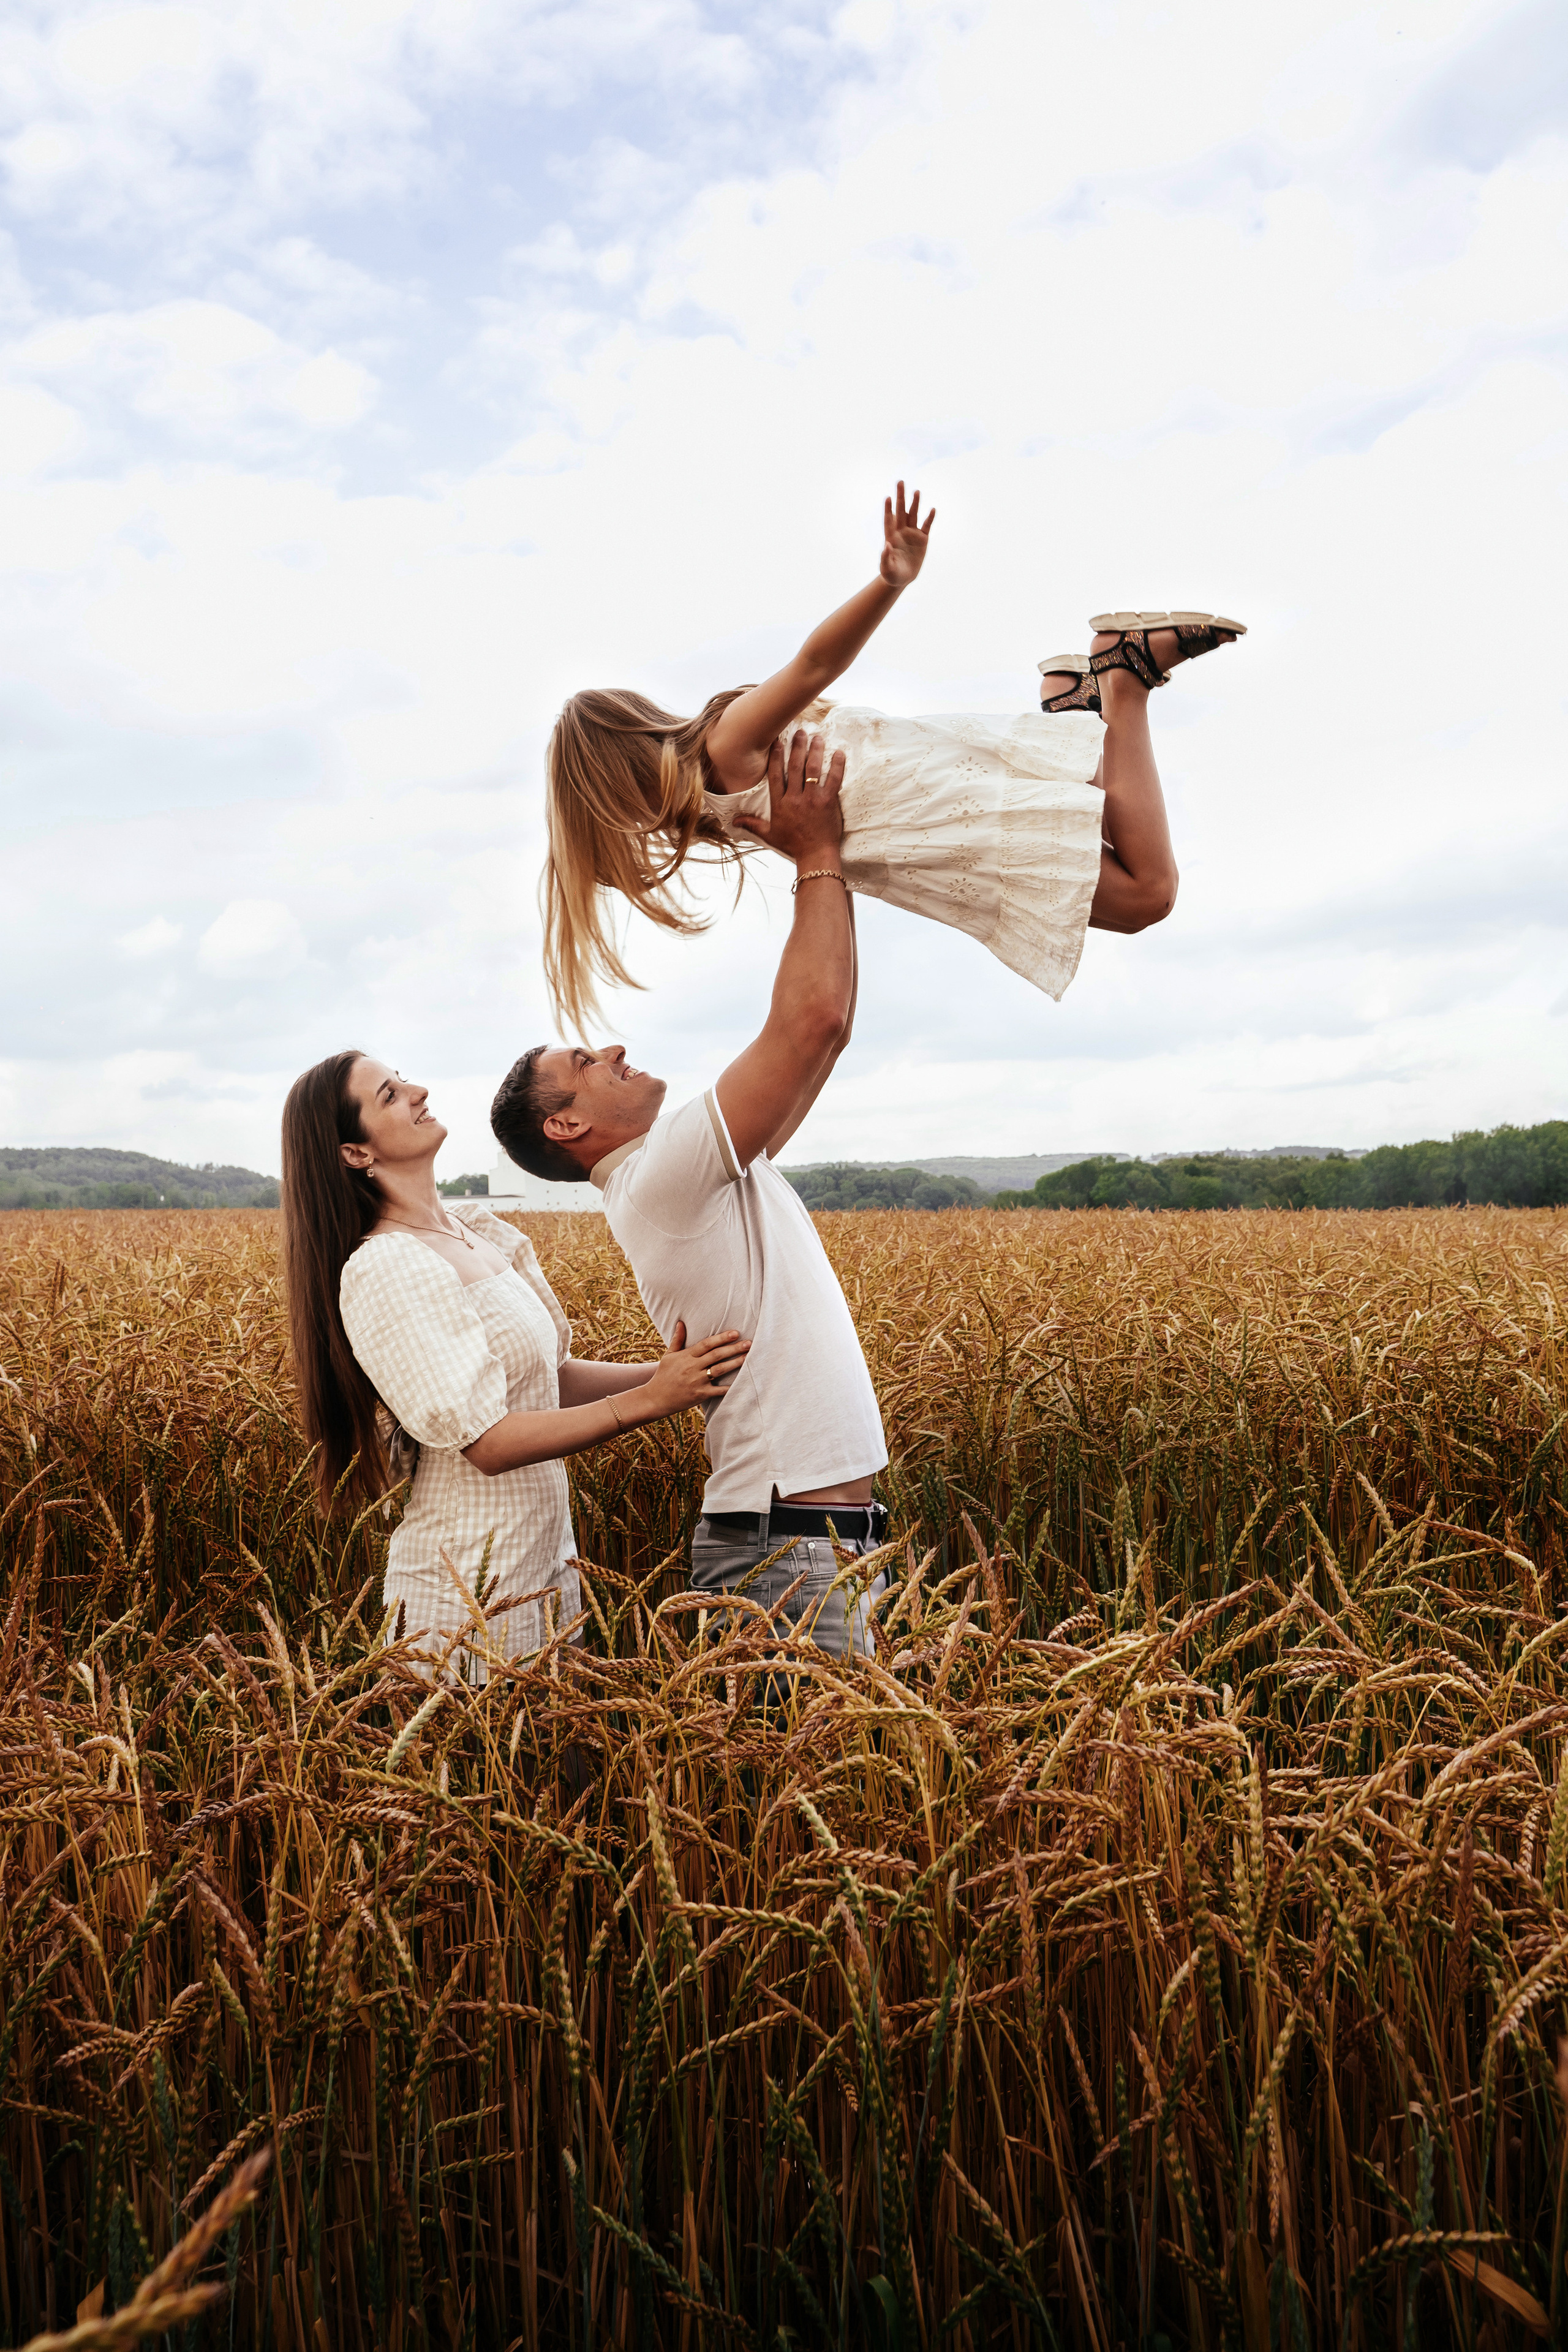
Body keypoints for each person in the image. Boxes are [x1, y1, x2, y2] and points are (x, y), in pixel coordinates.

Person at [540, 480, 1245, 1031]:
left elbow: (813, 665)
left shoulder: (725, 745)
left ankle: (1121, 678)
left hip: (935, 811)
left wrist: (890, 581)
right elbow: (598, 864)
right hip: (927, 825)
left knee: (1146, 894)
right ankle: (1071, 702)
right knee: (1121, 850)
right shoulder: (710, 805)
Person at [493, 726, 894, 1661]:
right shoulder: (663, 1175)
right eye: (587, 1062)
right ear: (565, 1127)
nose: (616, 1049)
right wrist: (818, 855)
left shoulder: (698, 1174)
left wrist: (830, 866)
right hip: (786, 1554)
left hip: (806, 1545)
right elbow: (812, 1020)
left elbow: (824, 1038)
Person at [279, 1049, 748, 1678]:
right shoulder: (386, 1265)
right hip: (463, 1602)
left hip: (544, 1576)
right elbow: (488, 1440)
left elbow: (549, 1380)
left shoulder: (476, 1231)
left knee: (551, 1771)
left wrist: (678, 1375)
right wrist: (651, 1401)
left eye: (403, 1081)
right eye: (389, 1096)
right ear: (354, 1153)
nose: (417, 1091)